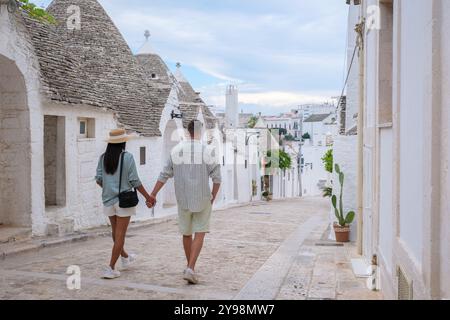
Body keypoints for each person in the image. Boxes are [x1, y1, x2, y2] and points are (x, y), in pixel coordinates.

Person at [147, 120, 221, 284]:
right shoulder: (209, 151)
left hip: (183, 198)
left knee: (186, 233)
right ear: (201, 132)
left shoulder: (176, 150)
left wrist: (152, 194)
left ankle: (190, 267)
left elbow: (164, 175)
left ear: (188, 132)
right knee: (200, 232)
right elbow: (217, 179)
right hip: (202, 198)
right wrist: (213, 196)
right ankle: (190, 268)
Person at [95, 128, 153, 279]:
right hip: (124, 201)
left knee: (116, 233)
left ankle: (125, 258)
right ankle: (110, 268)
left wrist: (109, 188)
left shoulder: (103, 158)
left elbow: (98, 179)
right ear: (123, 143)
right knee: (120, 235)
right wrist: (148, 197)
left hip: (108, 200)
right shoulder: (127, 157)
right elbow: (135, 181)